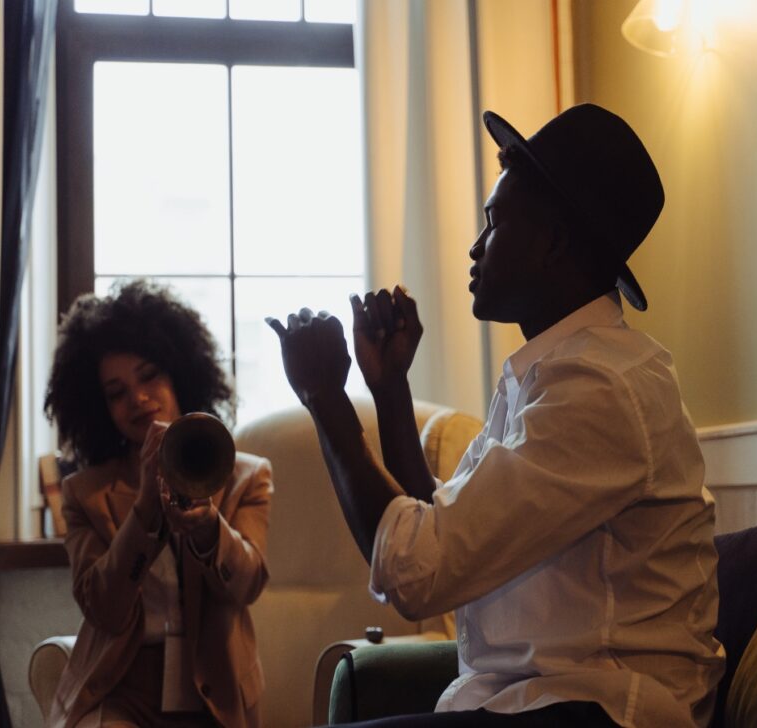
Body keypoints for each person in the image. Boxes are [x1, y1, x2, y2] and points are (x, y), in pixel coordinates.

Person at [268, 103, 724, 727]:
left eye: (494, 223)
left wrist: (325, 398)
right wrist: (389, 388)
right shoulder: (550, 373)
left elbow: (418, 577)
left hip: (601, 710)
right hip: (532, 701)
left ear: (557, 242)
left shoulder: (600, 388)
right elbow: (441, 530)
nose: (476, 247)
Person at [44, 279, 273, 728]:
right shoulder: (83, 494)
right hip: (118, 687)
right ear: (99, 407)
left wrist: (209, 526)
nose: (138, 399)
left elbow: (246, 585)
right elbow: (104, 610)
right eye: (117, 392)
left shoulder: (247, 475)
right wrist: (145, 507)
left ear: (180, 373)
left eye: (149, 376)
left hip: (216, 688)